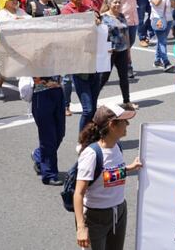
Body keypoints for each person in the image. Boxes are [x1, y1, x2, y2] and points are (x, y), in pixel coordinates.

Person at [74, 104, 142, 250]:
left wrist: (130, 167)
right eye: (124, 121)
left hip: (119, 212)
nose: (128, 124)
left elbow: (108, 174)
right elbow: (79, 193)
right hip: (95, 218)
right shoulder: (92, 155)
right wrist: (81, 227)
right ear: (112, 125)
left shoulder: (117, 147)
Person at [63, 0, 102, 131]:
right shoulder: (67, 10)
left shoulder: (87, 7)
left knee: (93, 107)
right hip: (78, 63)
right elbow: (70, 29)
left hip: (93, 61)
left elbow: (99, 20)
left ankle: (90, 134)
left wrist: (97, 18)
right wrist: (88, 20)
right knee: (88, 109)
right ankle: (82, 139)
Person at [100, 0, 137, 109]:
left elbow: (126, 34)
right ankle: (93, 98)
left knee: (124, 77)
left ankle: (127, 101)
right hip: (109, 52)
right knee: (103, 78)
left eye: (119, 2)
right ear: (109, 4)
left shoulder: (121, 16)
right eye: (114, 2)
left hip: (122, 50)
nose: (117, 4)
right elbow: (99, 36)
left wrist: (128, 51)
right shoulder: (103, 17)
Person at [109, 0, 139, 79]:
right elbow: (110, 0)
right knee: (125, 44)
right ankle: (127, 66)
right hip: (121, 19)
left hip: (133, 18)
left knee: (130, 43)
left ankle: (122, 63)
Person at [149, 0, 173, 70]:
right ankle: (166, 62)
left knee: (161, 40)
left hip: (168, 19)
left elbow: (174, 5)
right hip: (158, 19)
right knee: (163, 41)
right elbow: (156, 2)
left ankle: (157, 60)